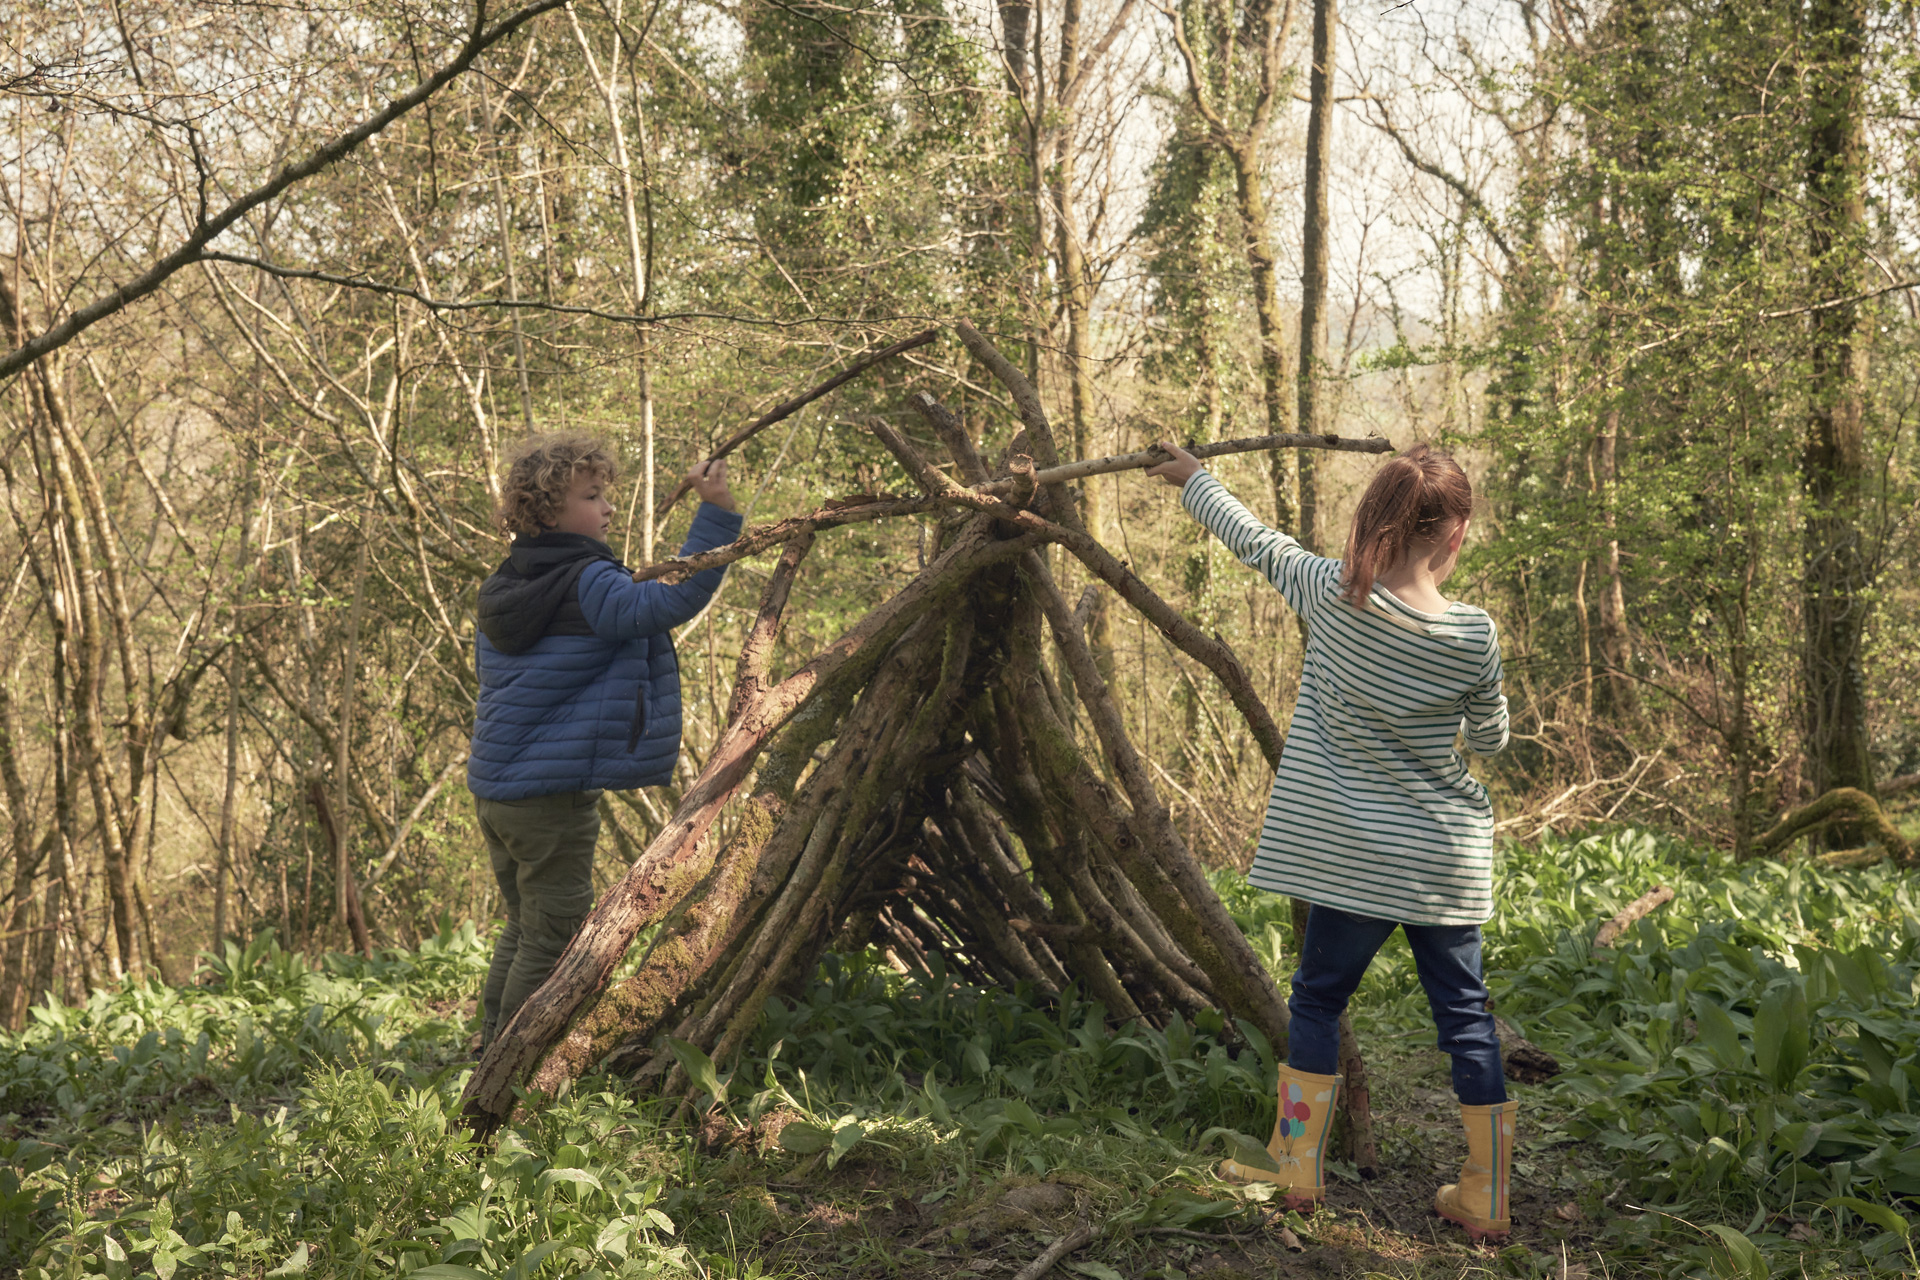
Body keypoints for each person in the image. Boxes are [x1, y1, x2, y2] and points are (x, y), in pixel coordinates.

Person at [1145, 441, 1515, 1241]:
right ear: (1455, 536)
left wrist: (1192, 478)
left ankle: (1297, 1169)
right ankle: (1485, 1192)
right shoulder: (1475, 635)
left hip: (1351, 859)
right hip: (1442, 863)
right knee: (1467, 1019)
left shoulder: (1327, 592)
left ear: (1373, 522)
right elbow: (1490, 737)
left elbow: (1253, 539)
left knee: (1316, 999)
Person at [468, 434, 743, 1048]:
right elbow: (670, 599)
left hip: (499, 791)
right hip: (550, 799)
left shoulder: (507, 584)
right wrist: (717, 513)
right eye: (593, 497)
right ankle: (510, 1068)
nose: (608, 509)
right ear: (546, 512)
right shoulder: (588, 581)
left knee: (525, 924)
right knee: (554, 931)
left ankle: (489, 1045)